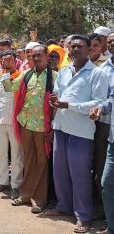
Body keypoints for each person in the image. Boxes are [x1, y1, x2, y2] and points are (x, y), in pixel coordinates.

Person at [46, 35, 109, 233]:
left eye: (79, 47)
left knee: (80, 174)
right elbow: (57, 92)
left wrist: (68, 105)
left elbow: (98, 102)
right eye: (72, 47)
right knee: (60, 171)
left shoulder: (97, 74)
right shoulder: (64, 70)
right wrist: (54, 100)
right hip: (61, 126)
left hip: (81, 131)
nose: (74, 50)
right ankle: (64, 206)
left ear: (89, 50)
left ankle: (84, 216)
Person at [3, 45, 56, 213]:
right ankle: (25, 195)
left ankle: (39, 199)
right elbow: (9, 87)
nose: (36, 58)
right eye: (33, 56)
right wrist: (6, 71)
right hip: (26, 124)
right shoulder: (26, 73)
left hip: (43, 127)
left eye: (39, 55)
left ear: (47, 56)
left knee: (41, 161)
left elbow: (57, 106)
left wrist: (53, 129)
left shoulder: (55, 77)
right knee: (28, 160)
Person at [0, 50, 23, 199]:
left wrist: (8, 75)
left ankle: (16, 185)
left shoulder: (21, 77)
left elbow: (13, 90)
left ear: (15, 61)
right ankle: (2, 181)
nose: (6, 63)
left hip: (15, 122)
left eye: (9, 60)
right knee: (0, 153)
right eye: (4, 60)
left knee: (17, 155)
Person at [90, 34, 114, 234]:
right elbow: (111, 99)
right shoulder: (105, 68)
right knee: (105, 181)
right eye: (111, 40)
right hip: (108, 132)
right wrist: (99, 107)